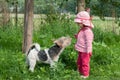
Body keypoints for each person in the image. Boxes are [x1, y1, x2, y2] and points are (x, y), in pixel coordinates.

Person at [74, 11, 94, 78]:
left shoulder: (88, 31)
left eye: (79, 23)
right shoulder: (82, 30)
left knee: (85, 63)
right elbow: (82, 38)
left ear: (84, 22)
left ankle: (85, 75)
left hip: (85, 51)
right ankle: (80, 71)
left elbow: (89, 41)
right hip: (81, 50)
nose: (78, 24)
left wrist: (89, 50)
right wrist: (77, 36)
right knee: (79, 61)